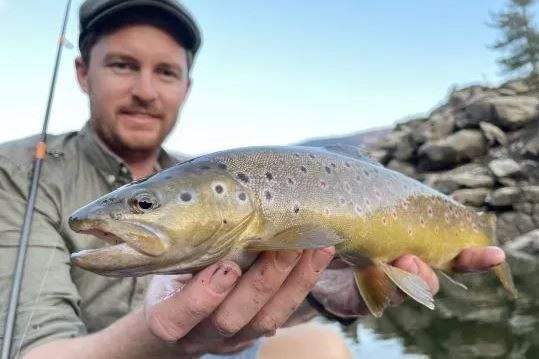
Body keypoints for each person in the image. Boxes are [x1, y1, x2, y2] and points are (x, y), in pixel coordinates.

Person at [0, 0, 506, 358]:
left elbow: (260, 305)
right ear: (84, 72)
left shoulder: (196, 169)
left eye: (166, 72)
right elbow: (37, 351)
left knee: (325, 349)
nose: (145, 91)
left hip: (221, 351)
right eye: (123, 65)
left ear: (187, 86)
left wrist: (321, 292)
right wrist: (172, 340)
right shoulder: (19, 174)